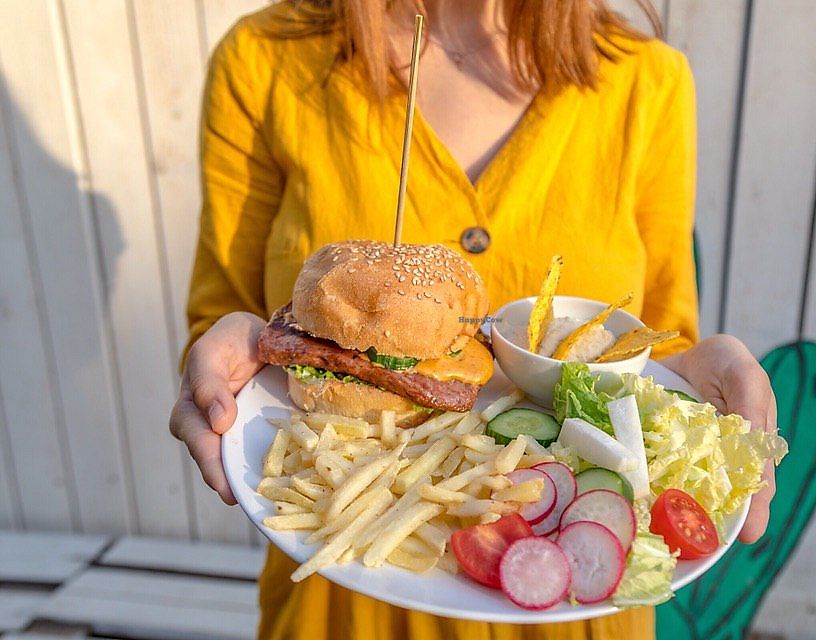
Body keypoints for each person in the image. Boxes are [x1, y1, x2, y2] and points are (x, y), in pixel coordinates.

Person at [168, 1, 779, 638]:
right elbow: (222, 321)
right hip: (340, 592)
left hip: (577, 594)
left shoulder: (647, 81)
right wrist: (227, 350)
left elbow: (658, 349)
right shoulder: (264, 61)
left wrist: (699, 369)